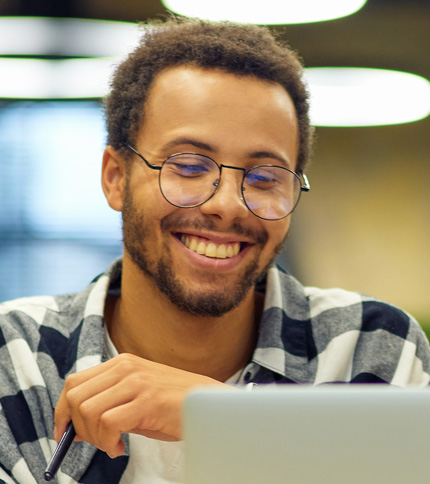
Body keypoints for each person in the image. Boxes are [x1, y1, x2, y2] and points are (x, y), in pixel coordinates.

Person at [0, 16, 429, 484]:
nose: (226, 205)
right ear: (116, 178)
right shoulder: (19, 355)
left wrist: (220, 418)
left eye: (265, 177)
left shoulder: (365, 347)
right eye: (187, 166)